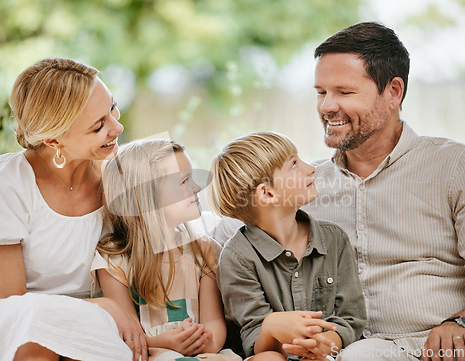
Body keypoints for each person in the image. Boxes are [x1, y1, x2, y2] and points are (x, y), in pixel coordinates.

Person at [301, 21, 465, 361]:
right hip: (338, 351)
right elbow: (225, 234)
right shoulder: (307, 182)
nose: (326, 106)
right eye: (321, 92)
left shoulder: (453, 166)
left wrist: (462, 323)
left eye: (344, 92)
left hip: (433, 349)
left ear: (393, 92)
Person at [0, 57, 148, 361]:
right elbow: (13, 309)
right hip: (13, 332)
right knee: (36, 338)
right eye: (98, 126)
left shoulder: (119, 174)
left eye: (112, 108)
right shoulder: (6, 184)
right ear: (53, 140)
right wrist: (103, 306)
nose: (118, 126)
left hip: (94, 326)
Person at [208, 131, 366, 361]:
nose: (310, 168)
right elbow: (255, 340)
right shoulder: (236, 258)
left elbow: (351, 318)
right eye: (294, 164)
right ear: (267, 193)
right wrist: (272, 327)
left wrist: (326, 344)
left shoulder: (334, 240)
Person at [91, 139, 242, 361]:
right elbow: (128, 336)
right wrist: (160, 343)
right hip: (149, 354)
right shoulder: (113, 260)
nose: (197, 188)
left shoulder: (204, 251)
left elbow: (214, 324)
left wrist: (199, 340)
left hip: (203, 353)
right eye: (184, 181)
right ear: (145, 198)